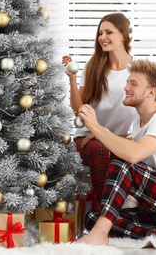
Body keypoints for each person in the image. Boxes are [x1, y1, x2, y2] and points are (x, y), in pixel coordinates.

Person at [75, 59, 156, 247]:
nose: (126, 88)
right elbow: (128, 145)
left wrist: (95, 125)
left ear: (151, 92)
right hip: (155, 210)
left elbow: (133, 155)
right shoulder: (139, 123)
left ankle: (100, 234)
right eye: (127, 82)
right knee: (93, 217)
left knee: (124, 161)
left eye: (133, 84)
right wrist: (101, 134)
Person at [62, 13, 136, 205]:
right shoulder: (93, 67)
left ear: (123, 34)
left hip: (118, 140)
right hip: (87, 139)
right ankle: (107, 214)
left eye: (109, 32)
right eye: (100, 33)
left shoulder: (138, 71)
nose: (102, 37)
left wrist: (105, 134)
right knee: (99, 148)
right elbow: (79, 110)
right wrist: (72, 78)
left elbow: (144, 115)